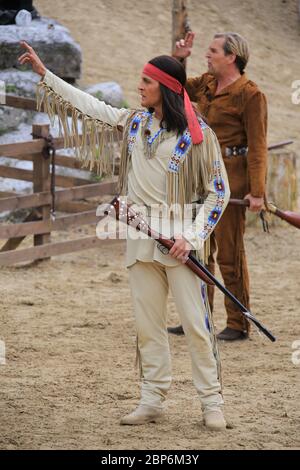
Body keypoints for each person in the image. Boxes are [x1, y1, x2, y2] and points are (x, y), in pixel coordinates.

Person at [18, 41, 230, 430]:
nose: (139, 87)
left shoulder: (199, 136)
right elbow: (89, 106)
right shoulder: (134, 122)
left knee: (196, 326)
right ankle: (152, 397)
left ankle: (211, 402)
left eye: (146, 81)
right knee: (147, 327)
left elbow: (220, 191)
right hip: (140, 239)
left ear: (164, 87)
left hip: (181, 243)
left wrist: (193, 237)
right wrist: (47, 76)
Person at [168, 32, 268, 341]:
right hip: (200, 174)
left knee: (229, 252)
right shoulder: (207, 84)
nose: (207, 56)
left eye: (212, 52)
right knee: (197, 250)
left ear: (231, 57)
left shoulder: (250, 95)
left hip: (233, 179)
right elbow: (174, 88)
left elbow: (258, 147)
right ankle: (199, 318)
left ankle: (238, 323)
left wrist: (257, 192)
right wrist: (179, 58)